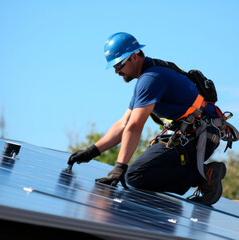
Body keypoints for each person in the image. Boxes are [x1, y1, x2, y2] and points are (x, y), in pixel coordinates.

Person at [67, 32, 229, 205]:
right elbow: (124, 123)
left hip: (201, 135)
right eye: (114, 66)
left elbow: (135, 126)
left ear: (134, 57)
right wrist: (91, 151)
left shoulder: (151, 78)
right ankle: (197, 176)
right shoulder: (147, 77)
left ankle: (205, 175)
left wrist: (119, 168)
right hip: (189, 134)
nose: (116, 71)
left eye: (119, 64)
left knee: (135, 175)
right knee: (138, 173)